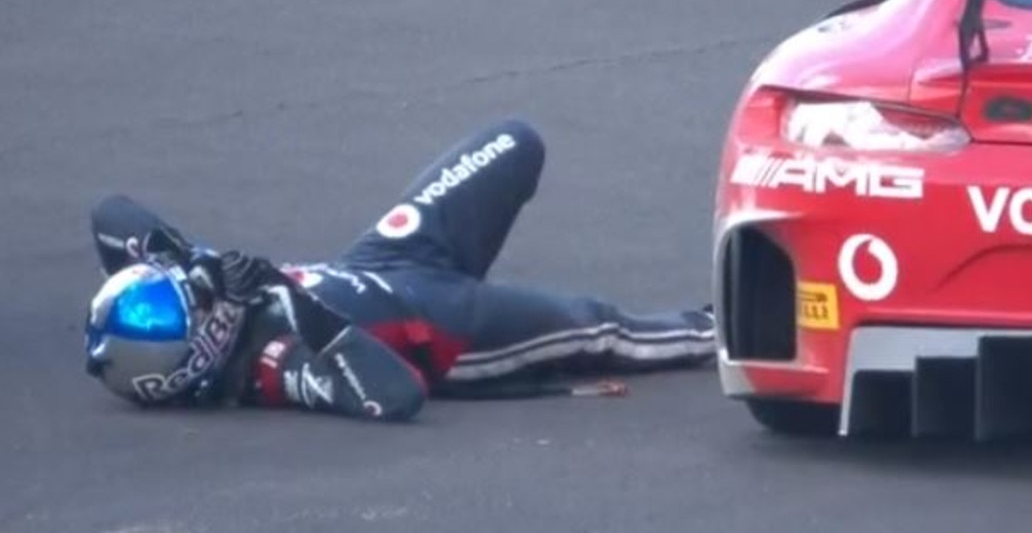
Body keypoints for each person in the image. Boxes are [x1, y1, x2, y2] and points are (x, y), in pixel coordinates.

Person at [83, 119, 717, 422]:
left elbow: (109, 214)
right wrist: (284, 296)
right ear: (193, 358)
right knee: (604, 332)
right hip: (445, 329)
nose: (179, 297)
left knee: (514, 142)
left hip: (386, 258)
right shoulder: (274, 368)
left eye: (157, 294)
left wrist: (186, 257)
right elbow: (394, 396)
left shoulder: (207, 288)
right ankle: (735, 330)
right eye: (165, 312)